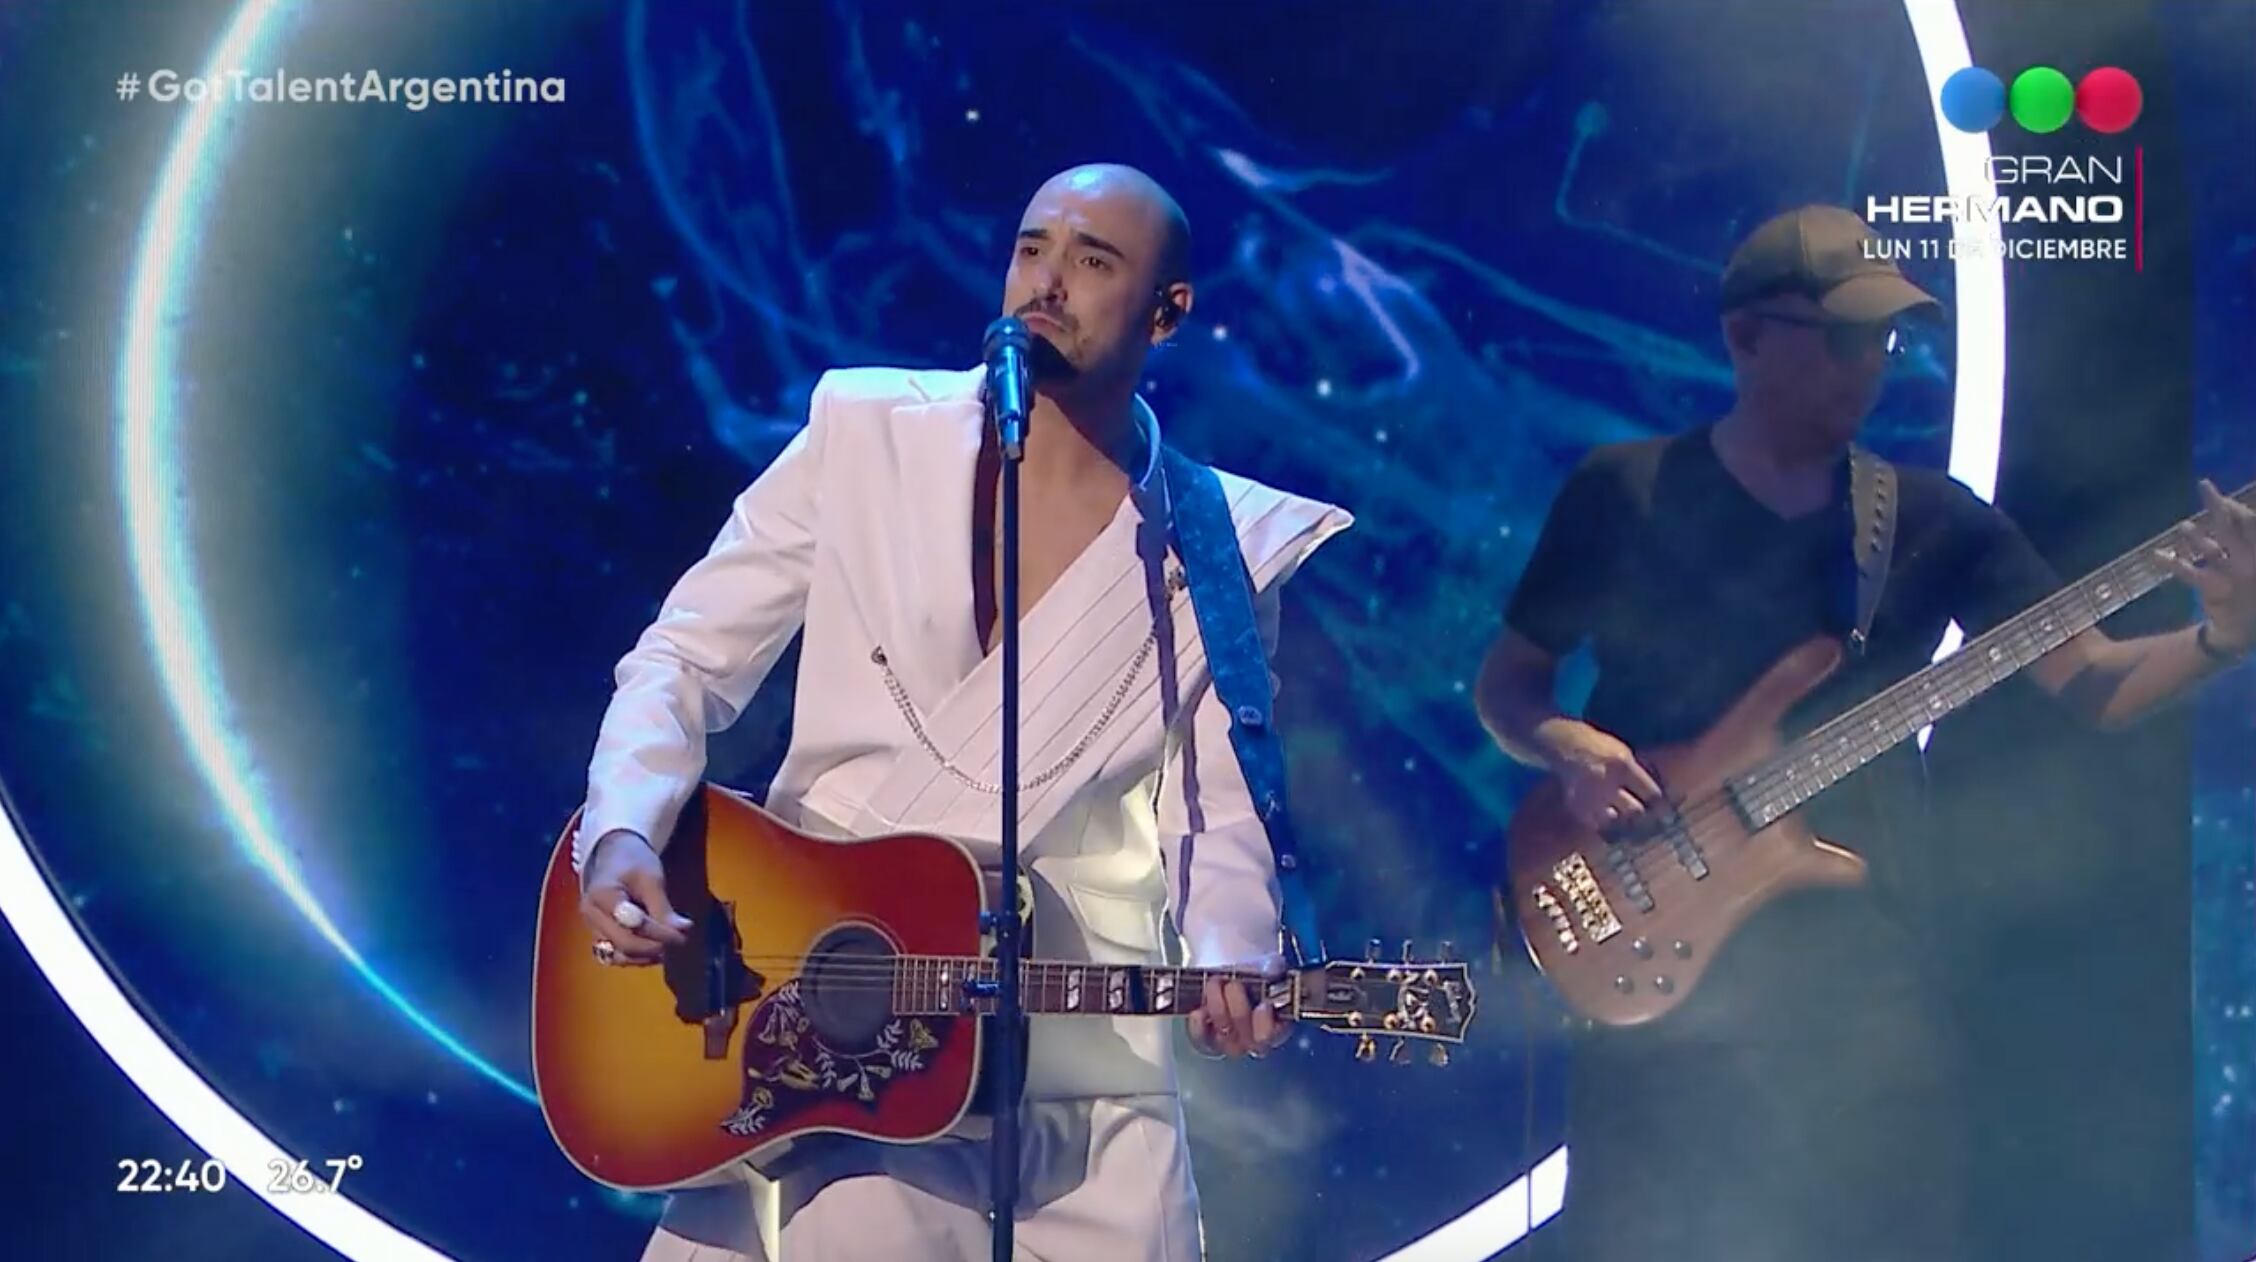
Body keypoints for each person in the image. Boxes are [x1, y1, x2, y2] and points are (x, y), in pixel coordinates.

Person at [570, 163, 1351, 1262]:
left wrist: (1233, 949)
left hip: (1085, 1072)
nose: (1048, 281)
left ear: (1168, 313)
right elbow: (686, 655)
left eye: (1093, 259)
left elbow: (1215, 805)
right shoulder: (865, 433)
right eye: (1033, 248)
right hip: (831, 1025)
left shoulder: (1219, 545)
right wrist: (623, 826)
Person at [1474, 204, 2256, 1261]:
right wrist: (1566, 745)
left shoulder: (1935, 520)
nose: (1871, 364)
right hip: (1652, 949)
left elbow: (2096, 683)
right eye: (1843, 335)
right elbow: (1511, 686)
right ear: (1746, 336)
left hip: (1860, 978)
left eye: (1885, 339)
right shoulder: (1625, 491)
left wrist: (2225, 633)